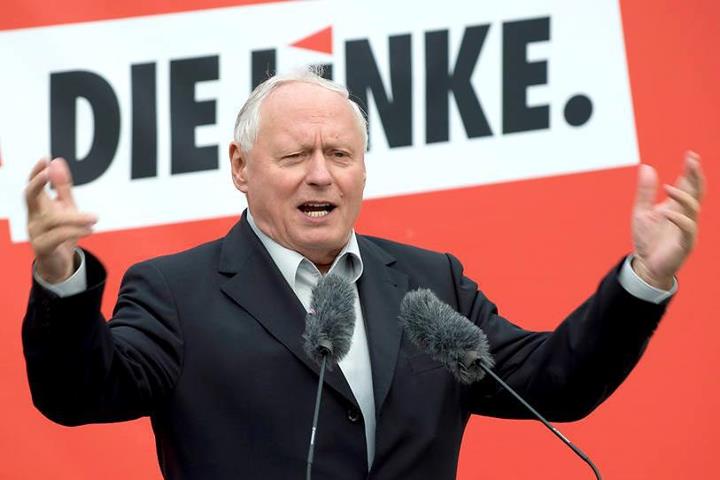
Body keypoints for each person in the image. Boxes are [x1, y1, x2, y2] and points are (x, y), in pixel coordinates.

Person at [22, 69, 705, 480]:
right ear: (240, 167)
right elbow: (78, 394)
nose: (321, 174)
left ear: (363, 170)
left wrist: (642, 279)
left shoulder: (429, 282)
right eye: (295, 156)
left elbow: (557, 381)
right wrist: (61, 278)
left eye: (341, 154)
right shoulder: (177, 292)